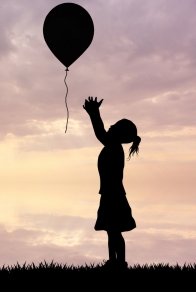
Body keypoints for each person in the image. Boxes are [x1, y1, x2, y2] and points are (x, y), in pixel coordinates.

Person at [82, 96, 140, 270]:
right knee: (111, 230)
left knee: (114, 230)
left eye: (114, 126)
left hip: (112, 194)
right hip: (110, 193)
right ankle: (113, 262)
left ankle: (119, 263)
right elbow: (101, 133)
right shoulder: (113, 146)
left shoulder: (113, 146)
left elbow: (100, 132)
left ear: (118, 133)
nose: (110, 126)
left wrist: (94, 112)